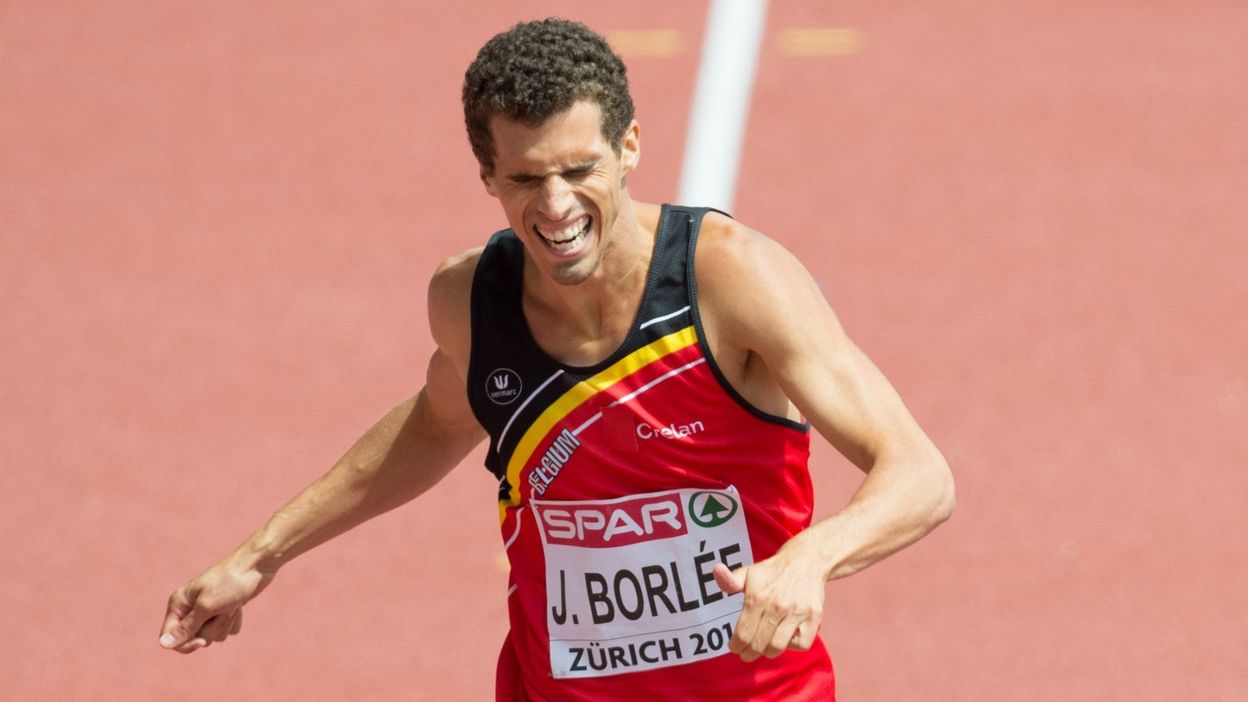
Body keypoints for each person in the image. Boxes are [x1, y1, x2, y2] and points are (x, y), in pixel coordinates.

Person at [159, 18, 954, 701]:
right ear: (487, 178)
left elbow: (919, 474)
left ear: (630, 145)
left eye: (580, 170)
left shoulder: (729, 279)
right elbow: (436, 425)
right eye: (526, 179)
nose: (557, 206)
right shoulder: (472, 301)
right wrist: (261, 555)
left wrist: (812, 557)